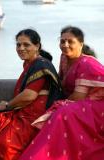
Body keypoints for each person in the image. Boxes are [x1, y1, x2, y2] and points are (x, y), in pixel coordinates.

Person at [19, 26, 104, 160]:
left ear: (81, 44)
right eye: (62, 41)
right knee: (58, 109)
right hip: (78, 103)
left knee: (62, 112)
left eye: (70, 42)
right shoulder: (64, 58)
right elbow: (60, 82)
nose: (65, 45)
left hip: (96, 107)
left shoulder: (87, 64)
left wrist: (58, 103)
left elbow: (78, 97)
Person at [0, 28, 63, 160]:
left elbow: (29, 96)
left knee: (5, 144)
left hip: (34, 118)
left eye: (26, 44)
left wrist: (7, 105)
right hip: (24, 113)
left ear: (37, 46)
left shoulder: (40, 64)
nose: (21, 48)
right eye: (18, 44)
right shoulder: (30, 64)